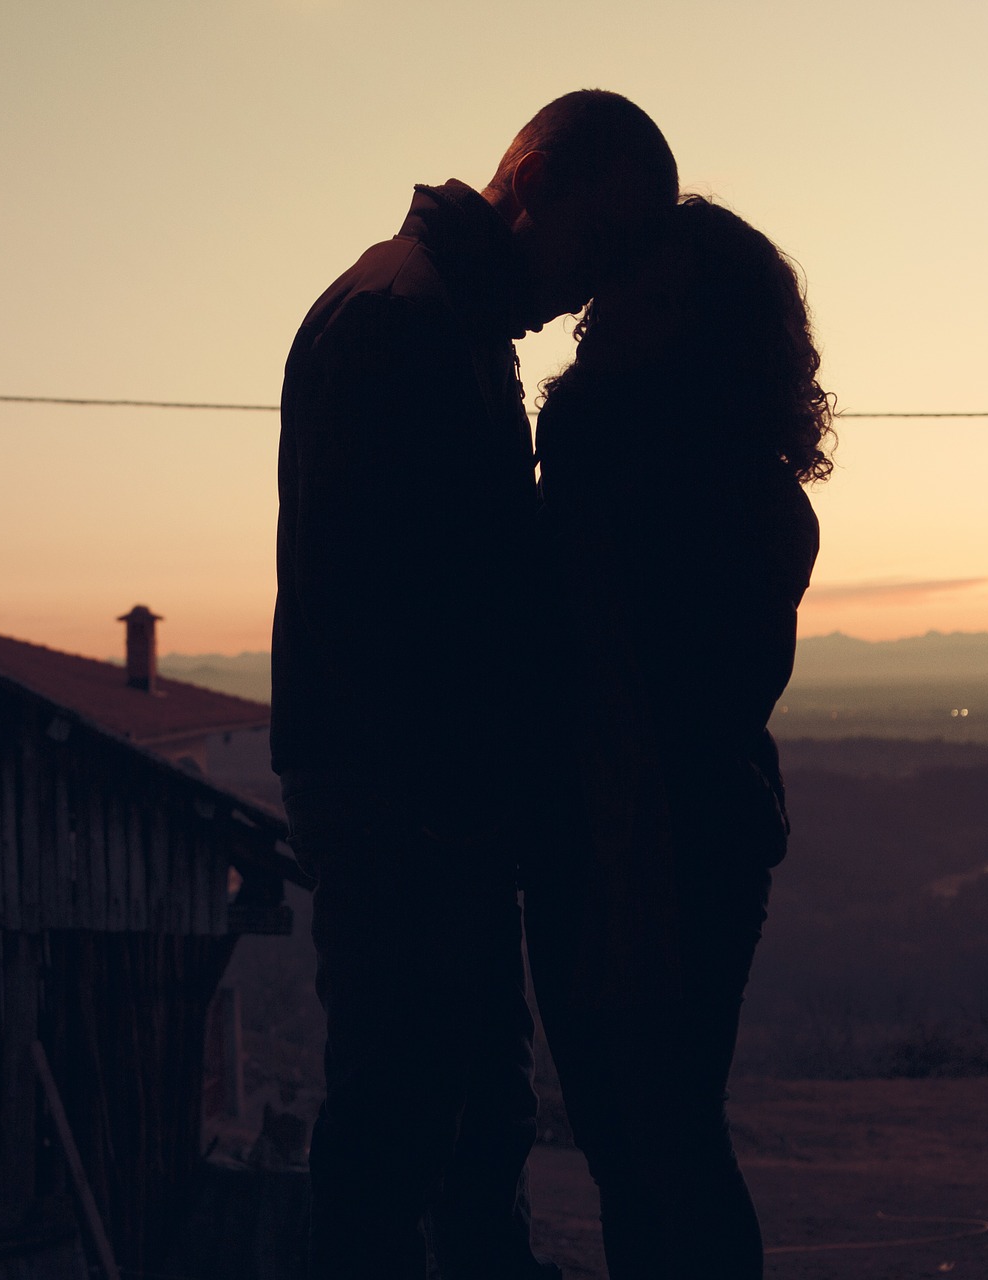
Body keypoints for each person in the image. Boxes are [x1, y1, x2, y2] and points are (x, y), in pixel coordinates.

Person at [270, 91, 678, 1279]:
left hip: (410, 799)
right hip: (408, 804)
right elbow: (424, 608)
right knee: (405, 1119)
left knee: (452, 1112)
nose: (589, 286)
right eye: (595, 243)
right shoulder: (410, 327)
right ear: (533, 178)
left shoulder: (414, 306)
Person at [526, 195, 834, 1279]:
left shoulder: (694, 483)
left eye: (650, 295)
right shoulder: (640, 463)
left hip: (667, 849)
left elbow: (656, 684)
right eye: (618, 288)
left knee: (660, 1141)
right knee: (641, 1144)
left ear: (701, 328)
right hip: (627, 843)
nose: (608, 312)